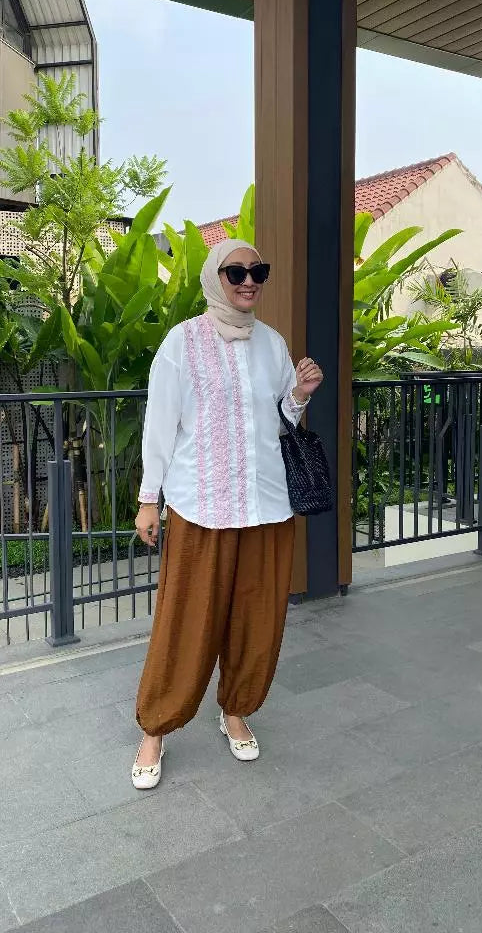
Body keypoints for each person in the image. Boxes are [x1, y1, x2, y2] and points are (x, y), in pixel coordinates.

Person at [131, 237, 323, 789]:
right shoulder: (181, 343)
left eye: (257, 271)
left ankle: (236, 709)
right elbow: (161, 425)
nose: (248, 281)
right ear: (216, 278)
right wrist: (150, 498)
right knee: (185, 620)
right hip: (202, 506)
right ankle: (155, 728)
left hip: (266, 504)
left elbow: (282, 416)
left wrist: (301, 394)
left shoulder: (272, 343)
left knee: (257, 618)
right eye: (235, 272)